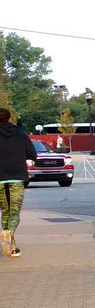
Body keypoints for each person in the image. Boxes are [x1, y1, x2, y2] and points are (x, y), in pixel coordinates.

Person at [0, 107, 37, 258]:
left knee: (5, 212)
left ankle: (11, 247)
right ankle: (8, 235)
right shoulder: (20, 134)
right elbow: (32, 154)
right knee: (14, 212)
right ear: (9, 118)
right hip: (17, 177)